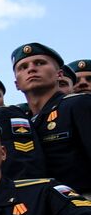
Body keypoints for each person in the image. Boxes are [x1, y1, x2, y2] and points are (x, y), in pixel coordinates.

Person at [12, 43, 91, 194]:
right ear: (17, 84)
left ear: (59, 74)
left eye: (40, 63)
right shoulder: (22, 122)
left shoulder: (78, 104)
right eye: (23, 67)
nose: (32, 68)